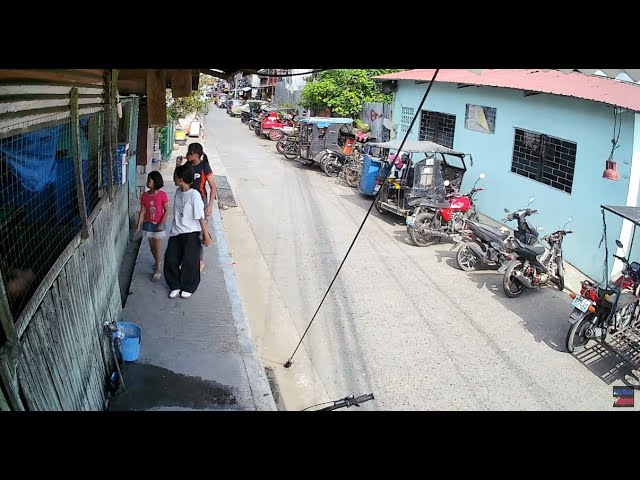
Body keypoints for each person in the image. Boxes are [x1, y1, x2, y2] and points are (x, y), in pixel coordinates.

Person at [164, 164, 212, 299]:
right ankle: (175, 284)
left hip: (191, 233)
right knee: (171, 259)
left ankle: (189, 286)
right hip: (176, 231)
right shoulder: (179, 192)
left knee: (190, 262)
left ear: (181, 179)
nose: (173, 178)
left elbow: (200, 217)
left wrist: (206, 235)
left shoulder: (195, 195)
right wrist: (179, 165)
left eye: (175, 176)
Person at [184, 142, 217, 271]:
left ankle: (199, 260)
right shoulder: (187, 165)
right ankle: (187, 257)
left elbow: (213, 187)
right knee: (187, 229)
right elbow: (180, 181)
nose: (187, 155)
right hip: (188, 201)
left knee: (199, 232)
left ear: (196, 155)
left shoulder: (205, 167)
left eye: (189, 153)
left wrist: (209, 205)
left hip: (201, 202)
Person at [136, 171, 169, 282]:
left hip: (158, 225)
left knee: (157, 248)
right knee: (152, 247)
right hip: (148, 224)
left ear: (155, 182)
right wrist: (139, 224)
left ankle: (158, 269)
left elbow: (167, 210)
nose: (147, 182)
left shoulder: (162, 195)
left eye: (149, 180)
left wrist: (161, 223)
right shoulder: (145, 196)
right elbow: (142, 211)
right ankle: (157, 262)